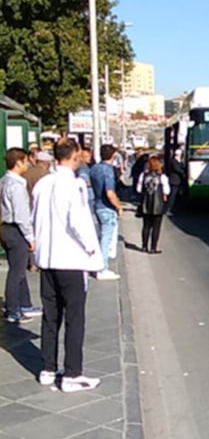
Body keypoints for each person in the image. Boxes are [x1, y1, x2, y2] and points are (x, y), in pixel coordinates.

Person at [32, 139, 104, 392]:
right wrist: (91, 248)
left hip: (47, 258)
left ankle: (47, 368)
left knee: (50, 316)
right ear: (74, 155)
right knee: (74, 317)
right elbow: (77, 221)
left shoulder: (43, 184)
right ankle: (73, 372)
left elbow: (35, 218)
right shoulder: (73, 185)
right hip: (70, 259)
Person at [1, 148, 41, 324]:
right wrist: (30, 236)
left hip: (6, 228)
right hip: (16, 229)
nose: (27, 164)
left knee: (18, 268)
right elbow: (21, 214)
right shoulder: (16, 185)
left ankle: (24, 303)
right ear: (18, 163)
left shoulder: (4, 181)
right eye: (25, 161)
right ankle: (12, 309)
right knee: (16, 273)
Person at [89, 144, 123, 281]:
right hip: (106, 207)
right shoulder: (108, 170)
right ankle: (102, 268)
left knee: (101, 237)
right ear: (113, 155)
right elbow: (110, 193)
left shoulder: (94, 168)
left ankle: (98, 265)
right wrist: (119, 207)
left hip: (97, 204)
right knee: (106, 239)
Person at [137, 155, 170, 253]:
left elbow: (138, 190)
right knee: (156, 227)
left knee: (146, 226)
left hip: (146, 203)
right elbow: (167, 191)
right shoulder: (162, 177)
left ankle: (144, 246)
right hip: (158, 204)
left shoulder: (143, 175)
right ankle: (153, 248)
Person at [166, 148, 185, 213]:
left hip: (177, 180)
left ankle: (171, 207)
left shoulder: (179, 161)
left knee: (175, 194)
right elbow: (176, 169)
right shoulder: (173, 161)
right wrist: (183, 172)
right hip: (174, 180)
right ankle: (169, 207)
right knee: (172, 195)